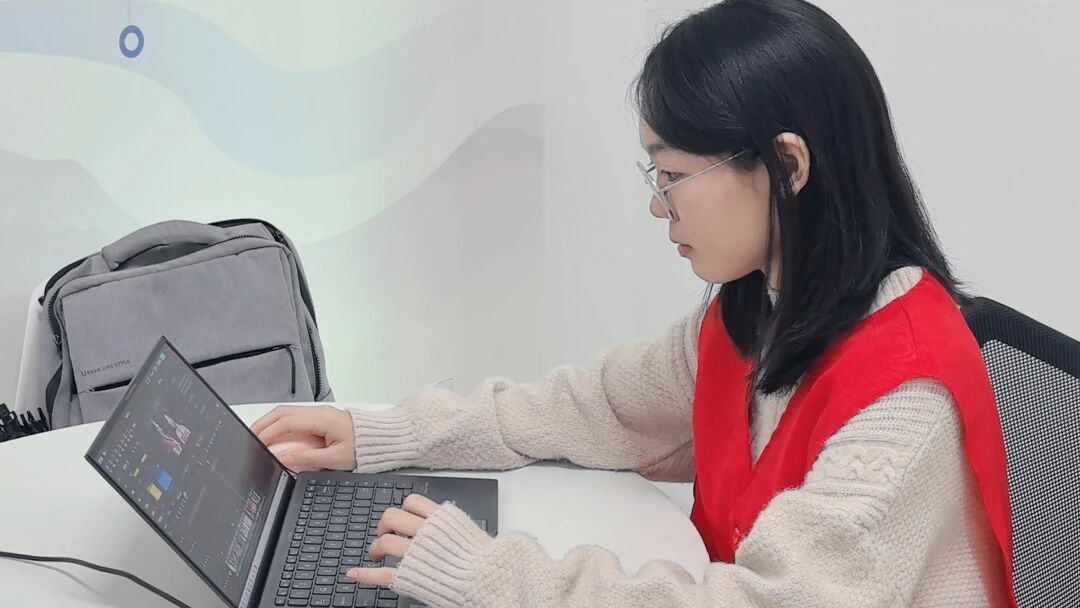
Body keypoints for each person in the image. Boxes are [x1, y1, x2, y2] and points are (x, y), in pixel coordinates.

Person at [251, 0, 1015, 605]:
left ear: (786, 165)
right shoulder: (759, 308)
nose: (660, 206)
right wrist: (386, 433)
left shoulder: (904, 401)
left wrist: (491, 576)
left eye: (673, 176)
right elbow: (599, 410)